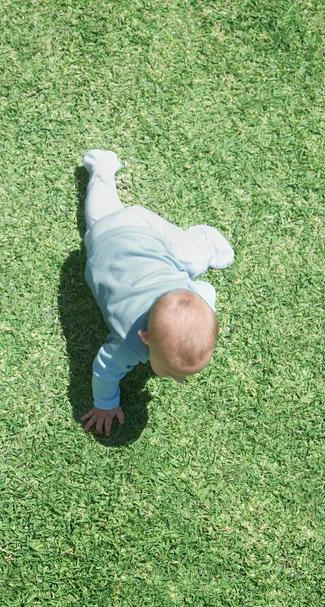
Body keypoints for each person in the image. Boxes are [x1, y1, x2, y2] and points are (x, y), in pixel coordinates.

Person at [80, 150, 234, 435]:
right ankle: (205, 240)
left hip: (114, 234)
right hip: (114, 238)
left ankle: (101, 168)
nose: (176, 379)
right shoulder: (127, 345)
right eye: (172, 373)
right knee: (197, 259)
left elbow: (206, 290)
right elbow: (104, 371)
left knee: (102, 208)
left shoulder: (196, 297)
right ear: (144, 337)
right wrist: (105, 404)